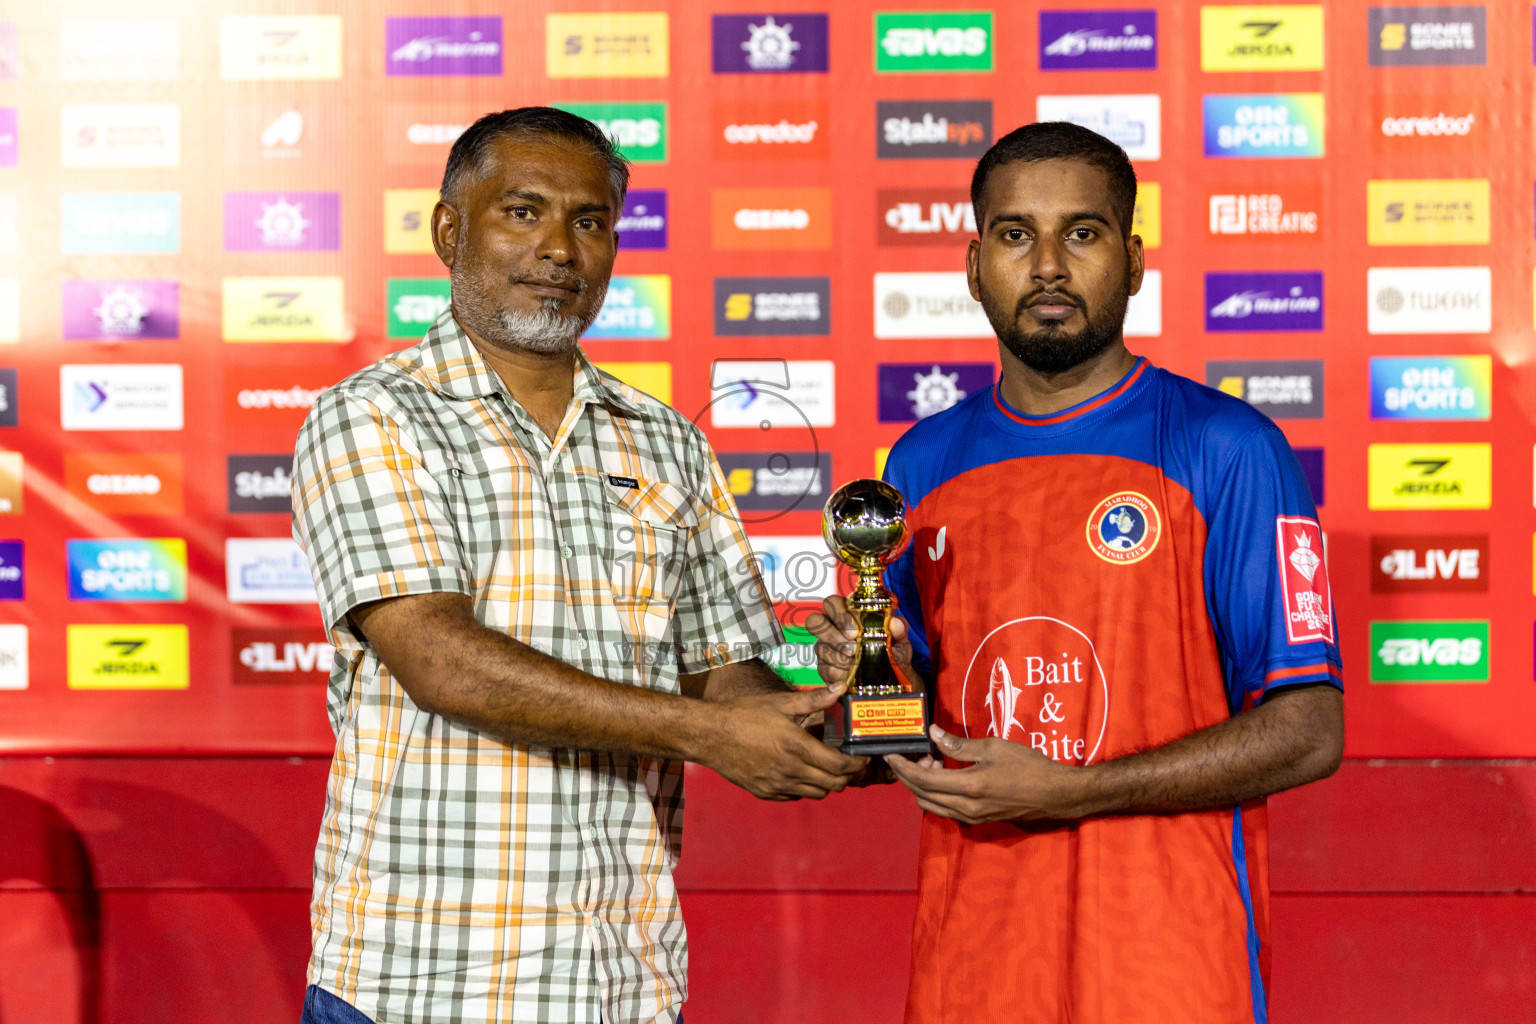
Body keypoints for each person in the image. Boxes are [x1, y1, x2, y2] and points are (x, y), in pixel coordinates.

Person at [291, 106, 866, 1024]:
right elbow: (439, 661)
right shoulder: (373, 416)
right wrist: (708, 735)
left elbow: (724, 675)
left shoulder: (666, 441)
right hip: (423, 982)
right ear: (450, 230)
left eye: (589, 221)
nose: (560, 248)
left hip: (623, 978)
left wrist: (831, 697)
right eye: (523, 212)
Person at [809, 121, 1344, 1023]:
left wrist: (1075, 791)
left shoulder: (1228, 447)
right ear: (975, 263)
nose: (1048, 264)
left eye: (1083, 234)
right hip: (973, 961)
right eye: (1016, 235)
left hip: (1171, 963)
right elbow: (903, 729)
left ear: (1133, 261)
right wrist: (865, 687)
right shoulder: (921, 464)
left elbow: (1309, 730)